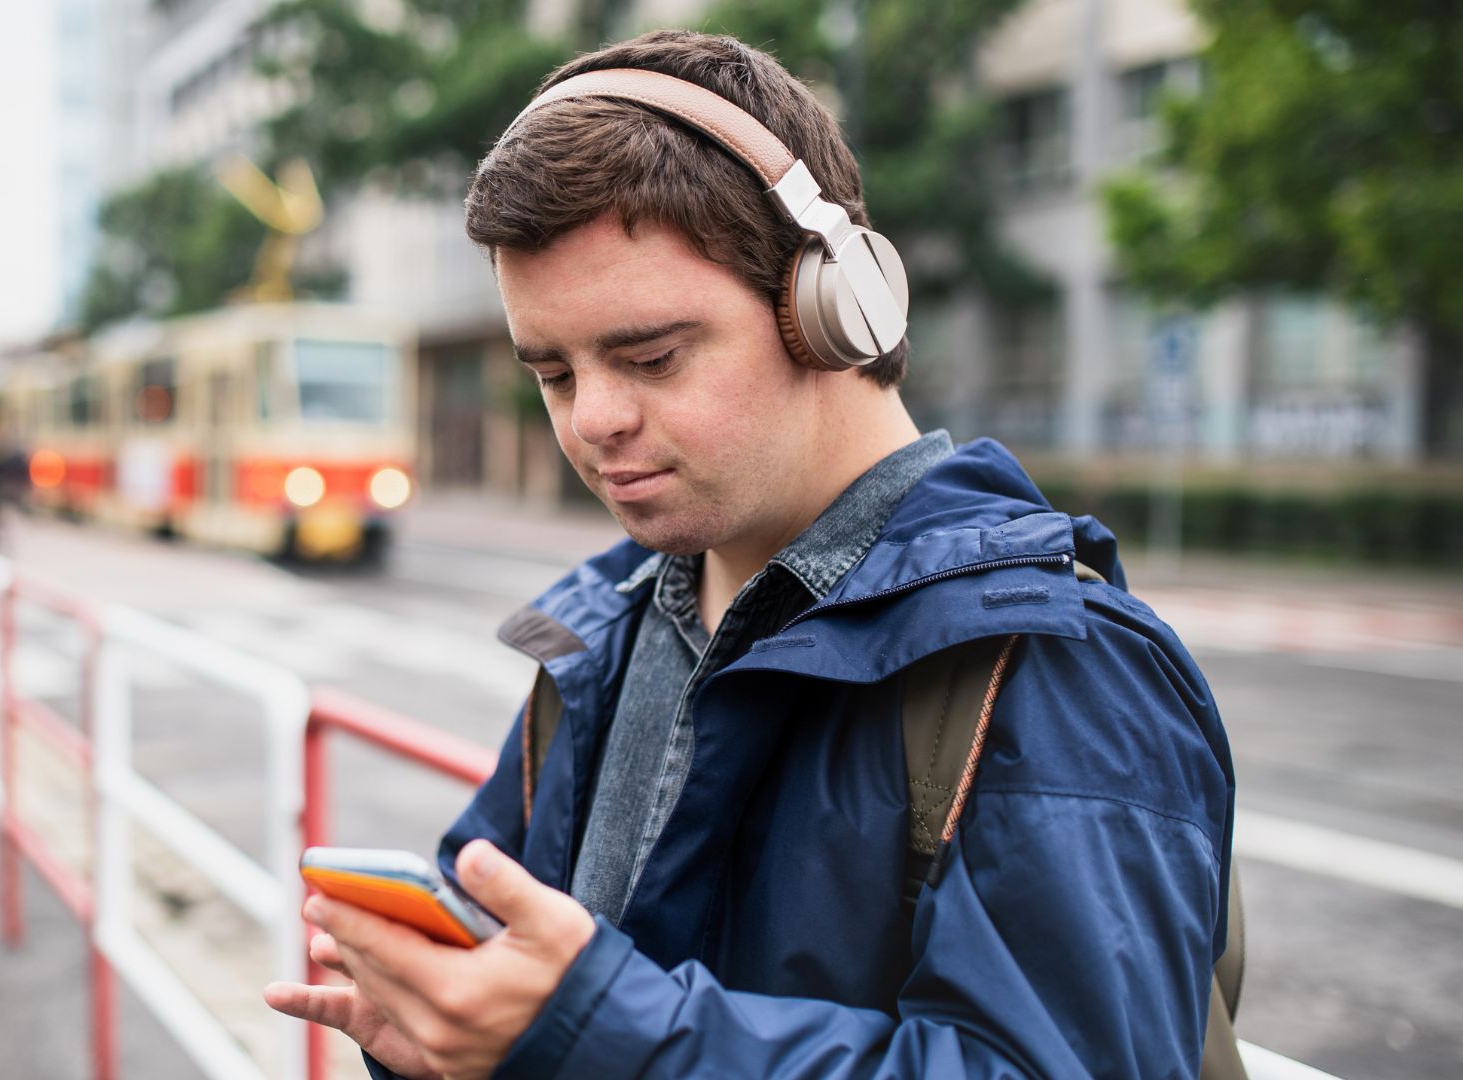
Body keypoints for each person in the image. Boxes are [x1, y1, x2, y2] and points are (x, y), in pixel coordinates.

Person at [265, 30, 1234, 1079]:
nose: (592, 420)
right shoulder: (608, 629)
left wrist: (599, 1034)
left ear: (833, 308)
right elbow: (523, 970)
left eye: (650, 357)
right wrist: (445, 1026)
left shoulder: (1054, 664)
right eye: (551, 373)